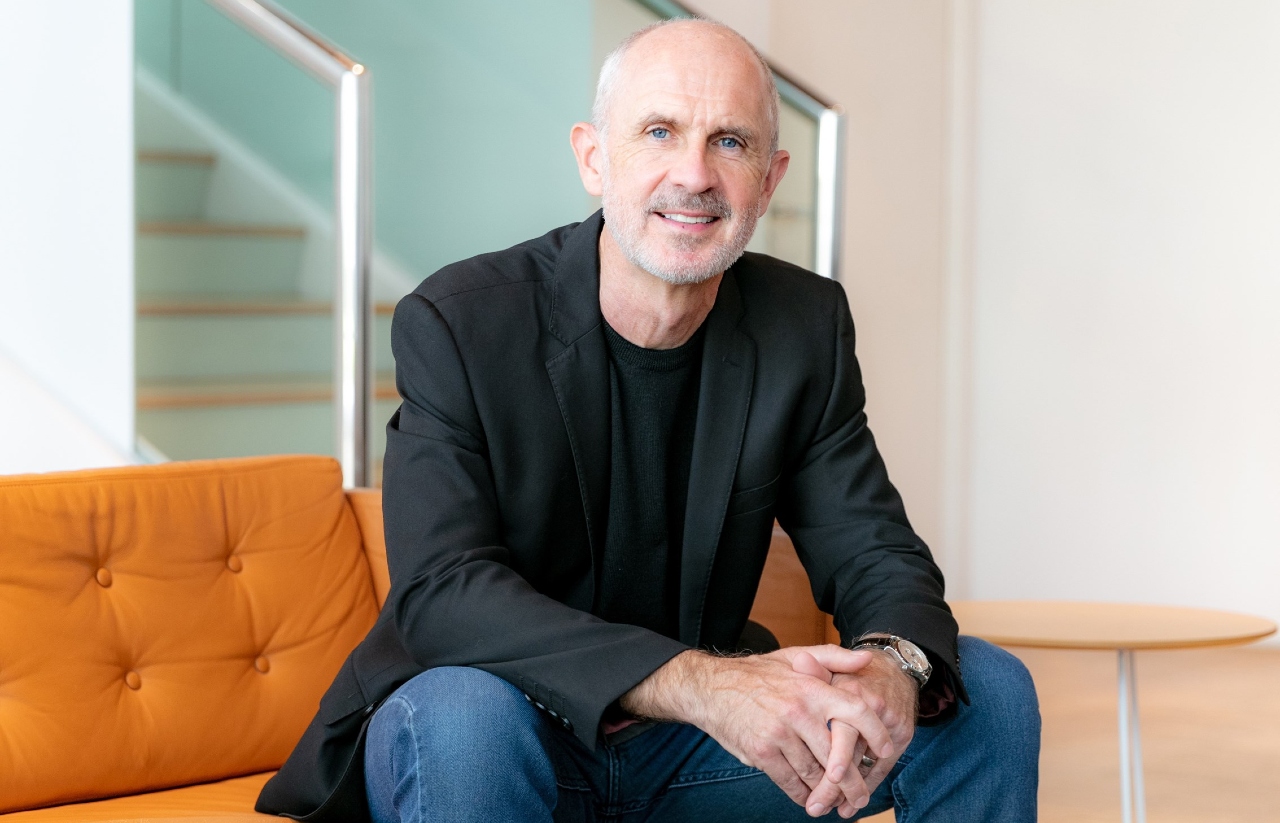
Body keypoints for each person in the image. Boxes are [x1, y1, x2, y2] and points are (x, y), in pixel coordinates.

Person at [257, 18, 1040, 823]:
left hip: (690, 757)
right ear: (594, 157)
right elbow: (442, 593)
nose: (693, 174)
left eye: (729, 142)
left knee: (986, 692)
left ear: (770, 180)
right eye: (659, 131)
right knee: (465, 712)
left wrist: (892, 663)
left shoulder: (800, 326)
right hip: (506, 731)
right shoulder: (462, 323)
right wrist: (706, 685)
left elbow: (873, 549)